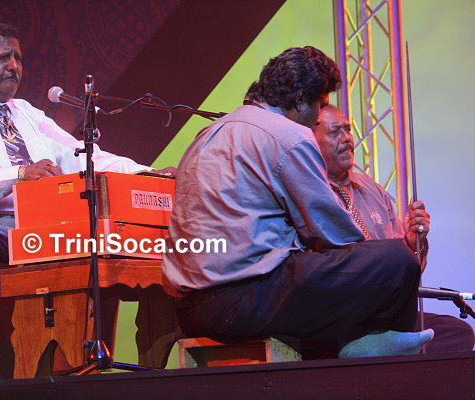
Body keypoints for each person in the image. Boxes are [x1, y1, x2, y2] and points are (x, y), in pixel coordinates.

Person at [0, 22, 170, 382]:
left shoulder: (25, 114)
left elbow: (83, 156)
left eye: (18, 58)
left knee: (89, 234)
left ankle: (82, 363)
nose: (14, 66)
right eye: (3, 58)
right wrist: (20, 174)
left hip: (16, 223)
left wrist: (147, 173)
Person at [162, 46, 433, 359]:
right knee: (395, 261)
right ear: (301, 99)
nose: (317, 117)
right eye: (320, 105)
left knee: (335, 270)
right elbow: (335, 235)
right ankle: (370, 345)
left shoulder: (210, 132)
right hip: (240, 301)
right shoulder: (289, 135)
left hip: (189, 308)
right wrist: (380, 259)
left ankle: (360, 343)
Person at [312, 105, 474, 353]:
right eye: (335, 132)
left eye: (348, 130)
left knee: (457, 333)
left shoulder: (371, 188)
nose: (346, 139)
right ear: (311, 142)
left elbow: (408, 270)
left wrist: (413, 241)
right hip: (345, 310)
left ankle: (378, 352)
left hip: (387, 312)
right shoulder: (310, 189)